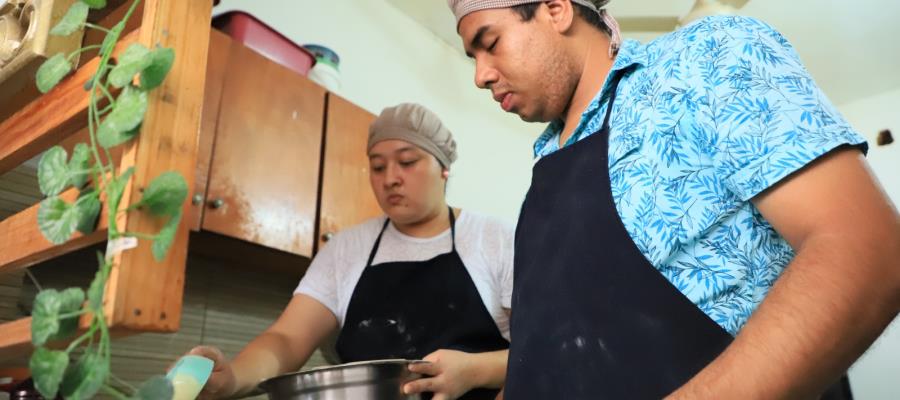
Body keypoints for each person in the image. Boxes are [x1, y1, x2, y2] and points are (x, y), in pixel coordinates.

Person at [447, 0, 900, 398]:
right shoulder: (545, 167)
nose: (480, 76)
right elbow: (544, 358)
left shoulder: (699, 62)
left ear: (556, 8)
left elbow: (868, 250)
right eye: (472, 57)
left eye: (491, 42)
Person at [187, 103, 514, 400]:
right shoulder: (346, 249)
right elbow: (286, 338)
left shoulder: (494, 239)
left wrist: (474, 370)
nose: (390, 179)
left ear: (444, 167)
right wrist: (232, 378)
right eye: (377, 166)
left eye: (407, 162)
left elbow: (547, 349)